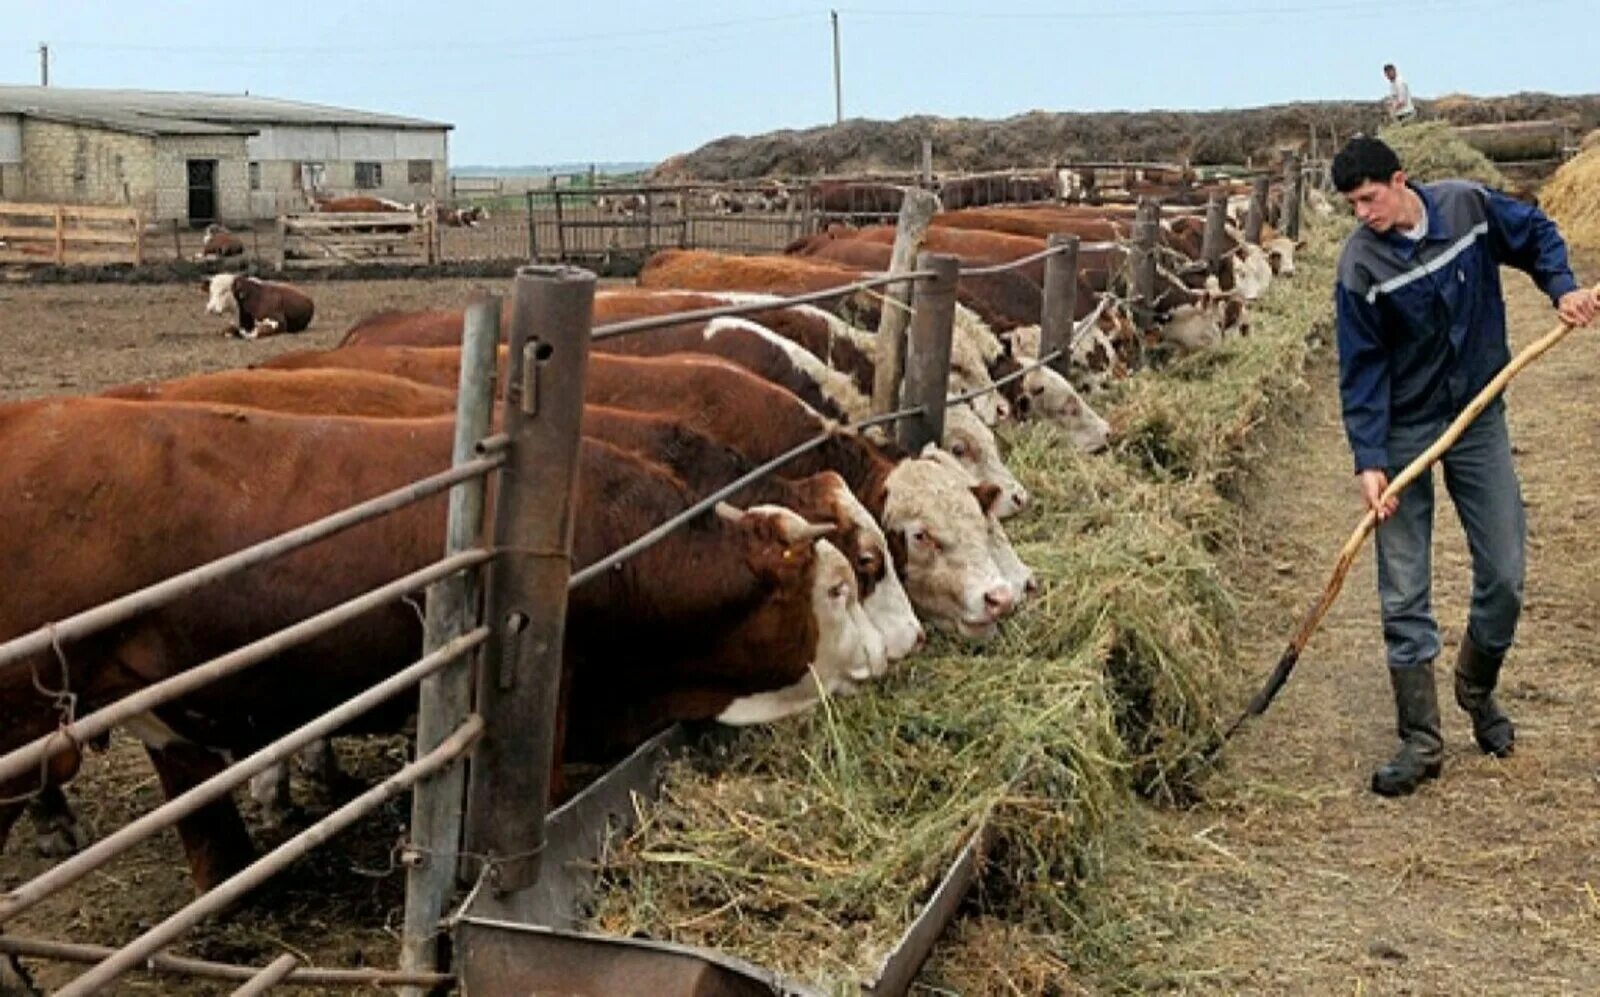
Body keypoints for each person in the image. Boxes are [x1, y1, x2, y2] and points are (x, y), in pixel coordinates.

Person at [1330, 136, 1598, 797]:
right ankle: (1420, 738)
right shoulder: (1358, 267)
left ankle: (1477, 687)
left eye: (1370, 197)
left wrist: (1561, 288)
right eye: (1351, 204)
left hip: (1478, 416)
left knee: (1505, 571)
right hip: (1404, 433)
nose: (1363, 212)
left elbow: (1534, 232)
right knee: (1403, 586)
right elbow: (1360, 371)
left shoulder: (1467, 208)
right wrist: (1369, 461)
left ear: (1400, 179)